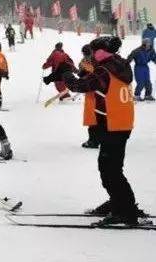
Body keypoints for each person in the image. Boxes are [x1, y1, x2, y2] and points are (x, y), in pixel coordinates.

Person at [63, 37, 148, 226]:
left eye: (93, 53)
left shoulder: (105, 70)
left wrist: (68, 77)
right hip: (120, 123)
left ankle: (125, 210)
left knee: (110, 171)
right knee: (111, 168)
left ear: (99, 53)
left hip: (113, 125)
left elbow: (82, 86)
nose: (91, 57)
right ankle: (118, 203)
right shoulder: (117, 64)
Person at [78, 45, 101, 149]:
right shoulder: (100, 59)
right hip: (101, 91)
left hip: (93, 91)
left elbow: (83, 73)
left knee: (93, 117)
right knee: (100, 116)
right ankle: (100, 139)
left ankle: (93, 140)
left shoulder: (86, 62)